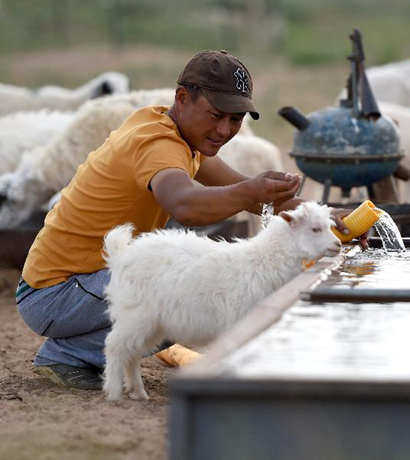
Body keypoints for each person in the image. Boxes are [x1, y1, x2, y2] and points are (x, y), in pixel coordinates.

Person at [15, 50, 356, 390]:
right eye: (215, 115)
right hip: (54, 293)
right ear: (182, 98)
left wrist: (327, 218)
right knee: (184, 309)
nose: (224, 129)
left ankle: (80, 351)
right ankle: (65, 355)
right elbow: (184, 205)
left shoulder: (178, 134)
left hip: (75, 282)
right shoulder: (157, 143)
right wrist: (250, 191)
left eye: (235, 120)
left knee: (183, 307)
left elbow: (248, 194)